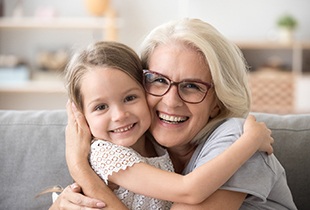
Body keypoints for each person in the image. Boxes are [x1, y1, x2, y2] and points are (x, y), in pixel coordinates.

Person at [51, 18, 296, 210]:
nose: (170, 101)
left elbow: (190, 189)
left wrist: (80, 169)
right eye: (158, 80)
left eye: (192, 86)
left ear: (217, 103)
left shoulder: (235, 141)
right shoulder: (131, 145)